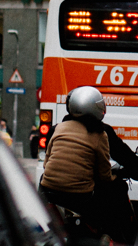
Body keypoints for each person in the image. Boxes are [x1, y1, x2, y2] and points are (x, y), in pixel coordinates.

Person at [39, 86, 114, 227]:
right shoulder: (100, 134)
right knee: (103, 213)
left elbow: (46, 162)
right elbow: (104, 174)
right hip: (79, 197)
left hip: (48, 190)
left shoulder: (59, 127)